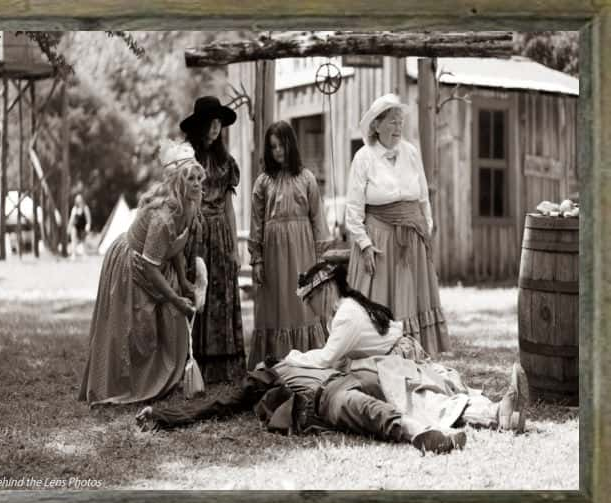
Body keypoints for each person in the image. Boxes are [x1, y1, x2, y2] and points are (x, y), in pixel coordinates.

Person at [136, 262, 528, 452]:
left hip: (374, 369)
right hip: (345, 383)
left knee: (420, 391)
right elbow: (221, 402)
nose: (308, 310)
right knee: (396, 397)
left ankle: (487, 415)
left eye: (309, 300)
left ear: (321, 291)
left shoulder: (343, 317)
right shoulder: (272, 372)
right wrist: (163, 415)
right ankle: (462, 422)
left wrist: (291, 356)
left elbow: (324, 360)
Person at [78, 141, 205, 406]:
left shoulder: (190, 206)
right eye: (189, 178)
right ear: (178, 182)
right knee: (138, 329)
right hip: (133, 263)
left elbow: (176, 246)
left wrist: (183, 281)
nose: (196, 184)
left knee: (170, 324)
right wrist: (175, 298)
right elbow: (150, 265)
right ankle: (129, 385)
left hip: (158, 262)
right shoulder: (163, 217)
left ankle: (163, 381)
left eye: (198, 178)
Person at [345, 93, 449, 356]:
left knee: (412, 299)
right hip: (379, 240)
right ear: (376, 125)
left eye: (400, 121)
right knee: (381, 301)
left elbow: (423, 197)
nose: (398, 127)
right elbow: (354, 210)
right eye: (391, 121)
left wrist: (427, 229)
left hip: (412, 239)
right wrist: (365, 245)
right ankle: (380, 354)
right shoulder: (363, 157)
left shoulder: (411, 152)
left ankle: (414, 354)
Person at [248, 120, 331, 370]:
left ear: (290, 145)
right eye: (272, 147)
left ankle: (306, 359)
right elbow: (256, 224)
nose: (277, 151)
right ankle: (274, 361)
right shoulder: (263, 182)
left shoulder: (307, 178)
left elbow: (318, 218)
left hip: (302, 251)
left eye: (281, 145)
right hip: (273, 254)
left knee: (301, 305)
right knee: (275, 304)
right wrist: (257, 259)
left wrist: (320, 258)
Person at [181, 96, 246, 384]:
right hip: (195, 230)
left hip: (220, 232)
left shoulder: (225, 161)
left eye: (220, 123)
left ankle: (224, 365)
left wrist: (233, 246)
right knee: (196, 292)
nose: (216, 128)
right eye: (211, 122)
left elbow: (230, 208)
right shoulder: (186, 157)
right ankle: (193, 363)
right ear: (201, 125)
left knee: (222, 294)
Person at [68, 194, 92, 259]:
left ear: (82, 200)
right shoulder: (74, 209)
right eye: (77, 199)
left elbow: (88, 219)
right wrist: (69, 227)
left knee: (84, 241)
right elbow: (71, 220)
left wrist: (88, 226)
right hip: (75, 227)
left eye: (80, 199)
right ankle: (73, 254)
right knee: (73, 240)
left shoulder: (85, 208)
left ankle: (84, 255)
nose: (79, 201)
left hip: (83, 227)